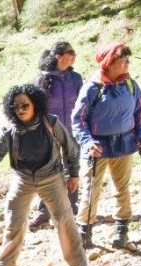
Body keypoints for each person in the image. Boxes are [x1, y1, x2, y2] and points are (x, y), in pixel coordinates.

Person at [0, 84, 88, 266]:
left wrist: (73, 174)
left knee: (65, 219)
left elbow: (70, 149)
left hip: (52, 178)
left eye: (24, 105)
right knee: (14, 222)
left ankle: (80, 265)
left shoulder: (51, 123)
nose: (20, 110)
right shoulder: (9, 132)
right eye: (15, 107)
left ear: (35, 104)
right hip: (23, 180)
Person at [72, 42, 141, 249]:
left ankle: (121, 232)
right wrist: (87, 142)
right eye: (122, 60)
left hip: (124, 145)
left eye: (127, 60)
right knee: (90, 190)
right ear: (109, 63)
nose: (127, 63)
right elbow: (78, 120)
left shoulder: (131, 85)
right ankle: (84, 234)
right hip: (97, 148)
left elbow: (140, 113)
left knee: (122, 189)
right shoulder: (92, 88)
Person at [28, 42, 83, 231]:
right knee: (47, 171)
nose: (74, 55)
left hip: (71, 131)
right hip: (48, 133)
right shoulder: (40, 80)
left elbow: (82, 106)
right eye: (71, 52)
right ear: (59, 56)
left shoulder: (75, 78)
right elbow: (34, 111)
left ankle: (71, 208)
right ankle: (44, 212)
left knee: (72, 170)